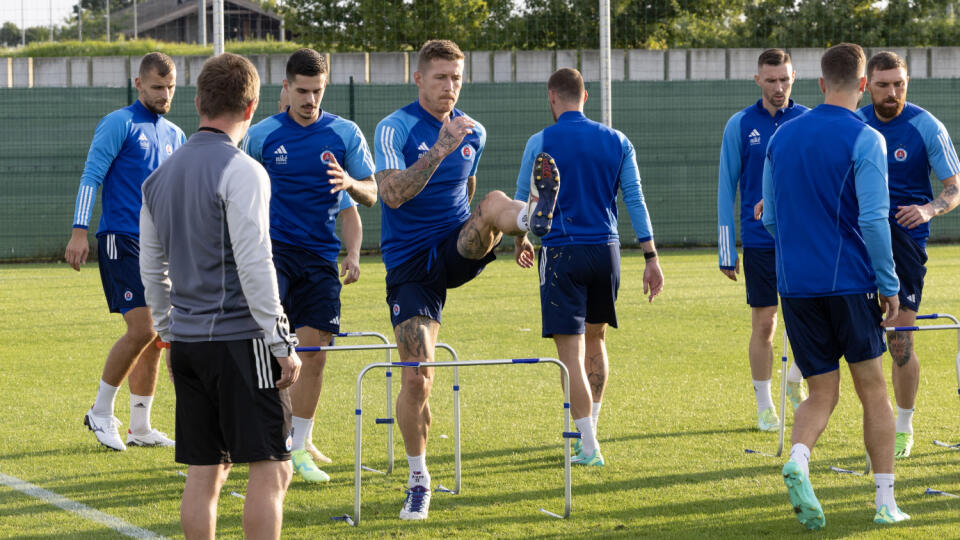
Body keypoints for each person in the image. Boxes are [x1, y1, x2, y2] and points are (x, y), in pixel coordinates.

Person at [373, 39, 553, 520]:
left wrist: (511, 231)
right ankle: (419, 478)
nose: (449, 87)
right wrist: (438, 149)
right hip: (411, 267)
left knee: (494, 199)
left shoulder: (475, 130)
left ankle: (533, 218)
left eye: (456, 78)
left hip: (455, 247)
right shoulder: (395, 127)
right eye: (439, 78)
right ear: (419, 79)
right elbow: (390, 195)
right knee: (420, 377)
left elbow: (469, 185)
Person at [140, 52, 301, 540]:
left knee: (205, 471)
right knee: (272, 468)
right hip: (241, 342)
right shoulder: (244, 171)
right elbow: (256, 264)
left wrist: (169, 334)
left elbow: (152, 269)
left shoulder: (157, 178)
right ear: (251, 108)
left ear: (196, 102)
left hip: (188, 344)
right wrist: (280, 341)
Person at [762, 43, 908, 529]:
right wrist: (889, 286)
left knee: (821, 391)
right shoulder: (867, 138)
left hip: (795, 287)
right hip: (849, 285)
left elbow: (771, 220)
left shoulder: (780, 138)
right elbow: (873, 220)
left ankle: (799, 458)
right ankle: (885, 502)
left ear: (820, 84)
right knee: (873, 390)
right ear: (864, 85)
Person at [513, 67, 664, 467]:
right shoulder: (617, 140)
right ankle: (590, 431)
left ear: (552, 97)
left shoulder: (540, 141)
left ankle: (589, 445)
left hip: (562, 252)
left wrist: (520, 239)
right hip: (606, 252)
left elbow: (521, 200)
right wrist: (651, 257)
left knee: (570, 352)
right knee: (596, 341)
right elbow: (635, 199)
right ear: (586, 97)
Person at [243, 48, 377, 483]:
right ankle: (269, 442)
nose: (309, 99)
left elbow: (373, 194)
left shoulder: (344, 134)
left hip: (321, 258)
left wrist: (351, 183)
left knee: (315, 353)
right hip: (272, 254)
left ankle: (297, 447)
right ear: (285, 87)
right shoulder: (262, 135)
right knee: (269, 352)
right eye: (301, 90)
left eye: (317, 91)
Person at [66, 52, 185, 451]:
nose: (164, 94)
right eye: (157, 87)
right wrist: (79, 231)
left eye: (170, 88)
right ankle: (100, 412)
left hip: (160, 246)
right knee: (142, 329)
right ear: (138, 84)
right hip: (121, 238)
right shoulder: (119, 123)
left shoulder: (176, 135)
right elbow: (91, 176)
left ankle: (140, 426)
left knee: (155, 337)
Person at [857, 51, 960, 459]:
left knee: (900, 342)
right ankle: (798, 384)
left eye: (898, 83)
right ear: (867, 84)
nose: (891, 92)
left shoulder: (925, 126)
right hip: (856, 238)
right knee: (851, 335)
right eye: (883, 85)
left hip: (905, 243)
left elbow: (954, 188)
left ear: (908, 81)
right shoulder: (855, 123)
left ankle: (903, 426)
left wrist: (929, 208)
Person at [717, 48, 809, 432]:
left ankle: (796, 380)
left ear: (793, 78)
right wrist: (726, 248)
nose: (778, 87)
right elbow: (726, 188)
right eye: (771, 80)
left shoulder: (807, 120)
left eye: (784, 79)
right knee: (765, 325)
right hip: (758, 243)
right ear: (758, 80)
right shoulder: (740, 124)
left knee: (808, 320)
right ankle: (764, 405)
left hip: (804, 240)